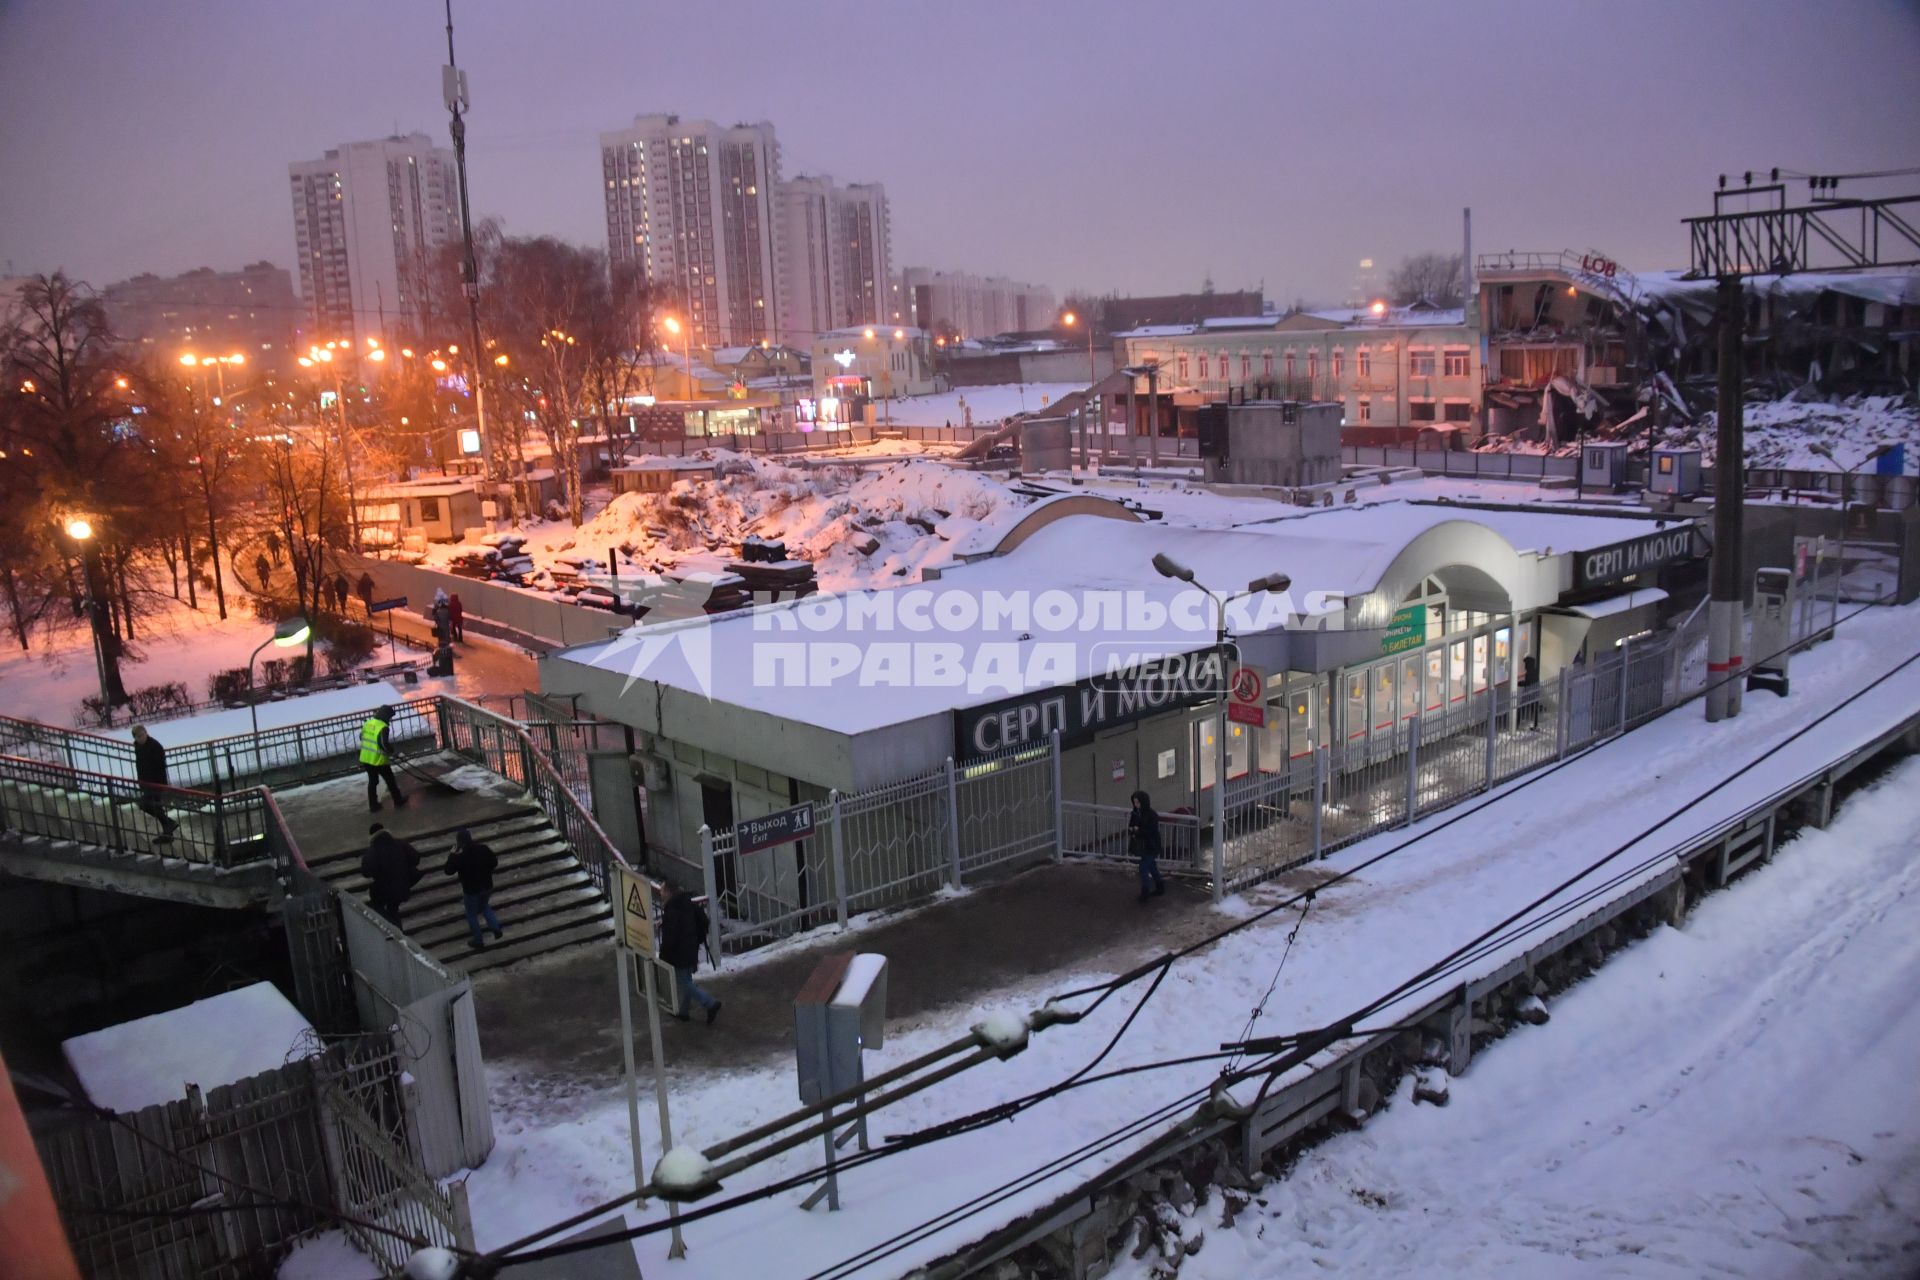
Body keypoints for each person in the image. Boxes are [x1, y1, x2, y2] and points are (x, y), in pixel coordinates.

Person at [659, 882, 721, 1024]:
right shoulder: (687, 903)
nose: (660, 893)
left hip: (679, 951)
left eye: (662, 890)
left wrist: (664, 955)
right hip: (690, 947)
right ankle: (683, 1012)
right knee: (686, 979)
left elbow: (670, 936)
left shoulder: (672, 909)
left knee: (683, 982)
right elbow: (703, 921)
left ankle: (709, 1003)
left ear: (669, 892)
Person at [443, 827, 504, 950]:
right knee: (485, 906)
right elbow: (494, 862)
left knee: (471, 914)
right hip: (487, 886)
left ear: (459, 842)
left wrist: (452, 855)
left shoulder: (460, 856)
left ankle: (478, 940)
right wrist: (487, 872)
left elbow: (448, 871)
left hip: (471, 890)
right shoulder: (483, 849)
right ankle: (495, 928)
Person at [360, 822, 424, 929]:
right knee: (393, 909)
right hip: (403, 886)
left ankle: (392, 930)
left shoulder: (372, 851)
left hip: (385, 891)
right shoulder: (400, 844)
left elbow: (366, 872)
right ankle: (396, 929)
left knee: (380, 907)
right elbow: (416, 858)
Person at [129, 725, 181, 842]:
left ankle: (169, 824)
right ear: (135, 738)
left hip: (156, 783)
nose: (142, 737)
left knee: (145, 804)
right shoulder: (138, 747)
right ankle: (168, 832)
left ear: (146, 733)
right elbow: (140, 767)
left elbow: (159, 766)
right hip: (146, 783)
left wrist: (156, 783)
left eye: (143, 734)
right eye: (139, 736)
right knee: (155, 806)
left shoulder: (154, 746)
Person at [359, 704, 407, 812]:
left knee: (373, 781)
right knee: (390, 780)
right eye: (390, 717)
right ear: (385, 716)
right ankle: (398, 800)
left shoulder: (368, 723)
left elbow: (361, 737)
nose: (390, 719)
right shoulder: (383, 727)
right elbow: (383, 744)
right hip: (378, 760)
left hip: (366, 758)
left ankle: (373, 806)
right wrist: (391, 751)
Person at [1128, 789, 1165, 902]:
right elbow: (1131, 825)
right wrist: (1133, 829)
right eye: (1135, 802)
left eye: (1138, 802)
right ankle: (1159, 887)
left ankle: (1146, 891)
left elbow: (1152, 830)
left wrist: (1138, 830)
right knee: (1151, 866)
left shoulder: (1151, 814)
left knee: (1143, 867)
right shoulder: (1135, 813)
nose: (1136, 805)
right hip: (1145, 845)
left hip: (1151, 845)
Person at [1518, 654, 1541, 730]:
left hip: (1529, 695)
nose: (1525, 666)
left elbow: (1528, 683)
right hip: (1534, 694)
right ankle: (1535, 724)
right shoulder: (1534, 671)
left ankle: (1517, 725)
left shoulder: (1530, 673)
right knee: (1533, 710)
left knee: (1520, 709)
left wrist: (1519, 683)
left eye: (1526, 664)